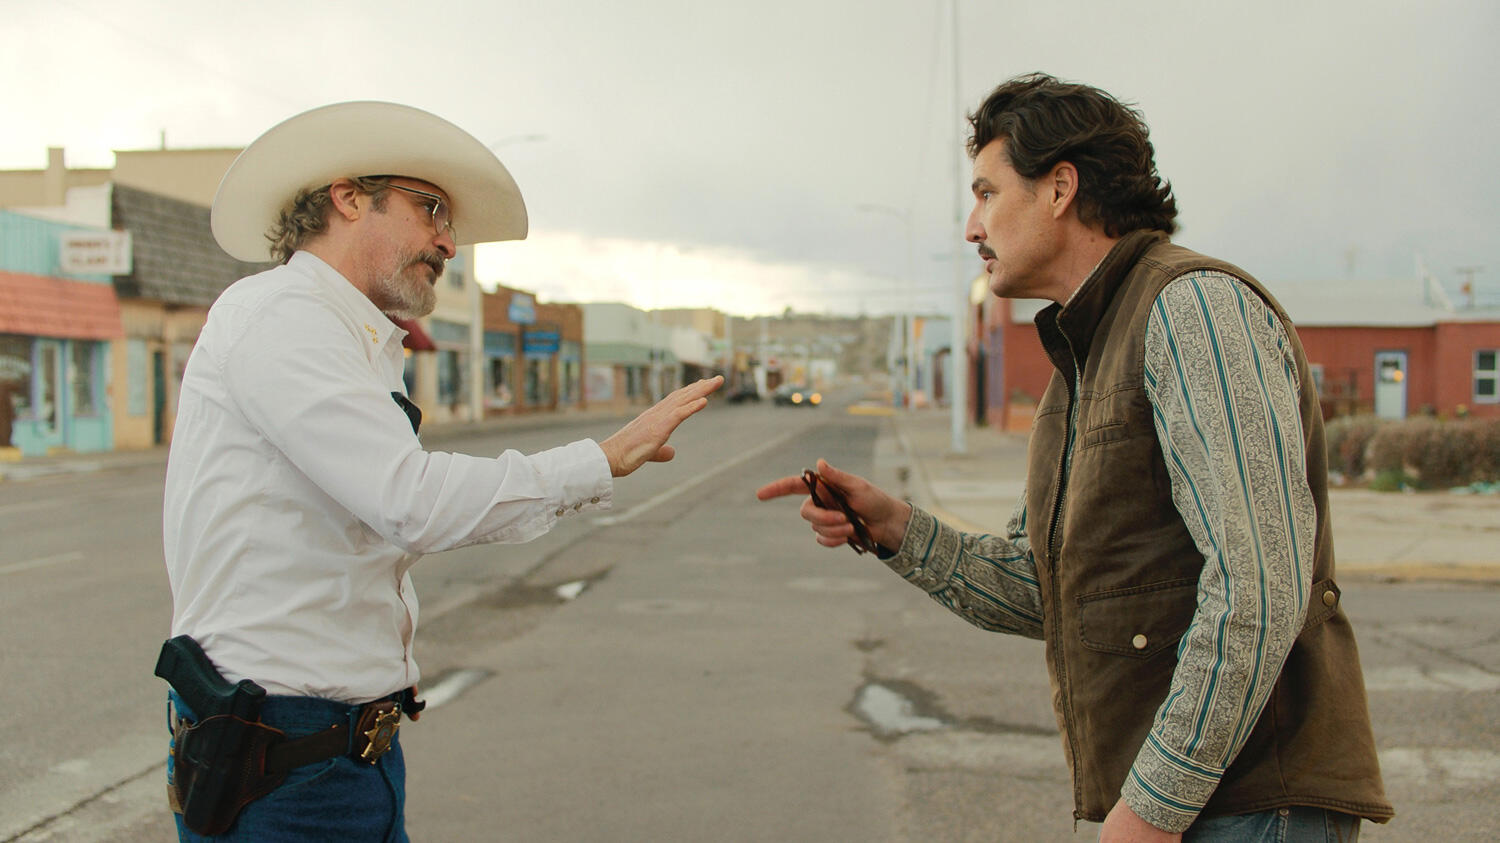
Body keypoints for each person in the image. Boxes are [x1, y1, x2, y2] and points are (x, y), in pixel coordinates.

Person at [758, 74, 1392, 841]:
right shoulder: (1081, 362)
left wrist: (1153, 806)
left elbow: (1258, 583)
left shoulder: (1193, 308)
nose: (972, 227)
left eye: (987, 193)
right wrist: (894, 526)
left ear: (1060, 188)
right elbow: (1049, 592)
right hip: (1197, 805)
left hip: (1253, 808)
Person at [160, 100, 721, 841]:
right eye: (430, 210)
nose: (449, 241)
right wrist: (601, 460)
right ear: (348, 196)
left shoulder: (353, 337)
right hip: (281, 762)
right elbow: (411, 501)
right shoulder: (283, 316)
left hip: (336, 752)